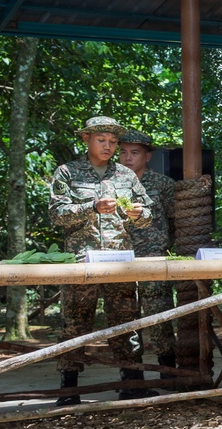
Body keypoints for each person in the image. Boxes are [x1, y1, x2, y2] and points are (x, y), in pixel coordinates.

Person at [48, 116, 155, 405]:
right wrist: (91, 207)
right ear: (86, 139)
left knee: (126, 322)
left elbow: (148, 214)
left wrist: (138, 214)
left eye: (112, 142)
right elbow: (56, 214)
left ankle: (132, 382)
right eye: (101, 141)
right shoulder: (68, 172)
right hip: (82, 262)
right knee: (75, 324)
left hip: (120, 260)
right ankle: (69, 388)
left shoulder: (126, 175)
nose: (108, 147)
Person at [119, 129, 177, 371]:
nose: (128, 158)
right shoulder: (110, 185)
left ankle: (167, 372)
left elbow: (176, 221)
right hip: (120, 260)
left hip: (154, 260)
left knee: (160, 317)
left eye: (134, 153)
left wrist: (163, 246)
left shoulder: (163, 184)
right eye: (122, 153)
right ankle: (131, 378)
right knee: (125, 320)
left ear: (147, 156)